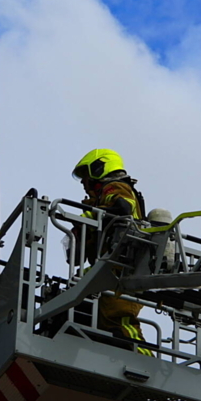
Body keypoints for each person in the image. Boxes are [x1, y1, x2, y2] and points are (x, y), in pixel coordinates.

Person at [72, 148, 152, 355]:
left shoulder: (115, 187)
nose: (83, 182)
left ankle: (144, 359)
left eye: (86, 176)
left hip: (122, 268)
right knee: (104, 317)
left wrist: (90, 215)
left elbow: (124, 208)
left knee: (120, 320)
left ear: (100, 168)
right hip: (112, 266)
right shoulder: (103, 196)